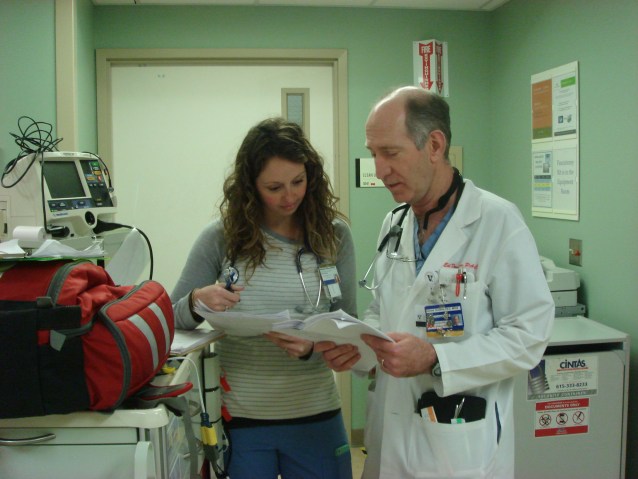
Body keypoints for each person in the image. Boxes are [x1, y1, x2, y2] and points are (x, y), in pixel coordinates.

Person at [316, 87, 554, 478]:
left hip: (458, 448)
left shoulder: (497, 222)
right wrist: (358, 349)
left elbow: (529, 336)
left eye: (390, 153)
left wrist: (436, 359)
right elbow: (384, 311)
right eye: (373, 153)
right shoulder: (394, 223)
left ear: (435, 145)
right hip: (390, 435)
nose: (379, 170)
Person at [171, 117, 357, 479]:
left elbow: (347, 327)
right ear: (250, 186)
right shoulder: (222, 237)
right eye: (274, 187)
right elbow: (168, 319)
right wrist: (196, 301)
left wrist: (312, 346)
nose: (289, 196)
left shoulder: (333, 235)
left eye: (298, 182)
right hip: (242, 419)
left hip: (316, 413)